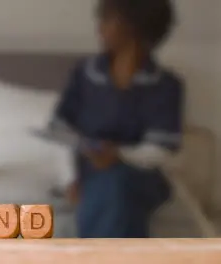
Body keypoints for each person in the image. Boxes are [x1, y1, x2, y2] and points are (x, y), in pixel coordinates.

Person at [50, 0, 183, 238]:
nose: (99, 28)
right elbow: (60, 131)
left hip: (140, 175)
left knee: (116, 185)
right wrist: (70, 179)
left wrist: (118, 155)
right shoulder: (84, 73)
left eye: (107, 19)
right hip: (88, 170)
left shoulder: (166, 85)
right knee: (111, 191)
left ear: (134, 26)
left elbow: (161, 149)